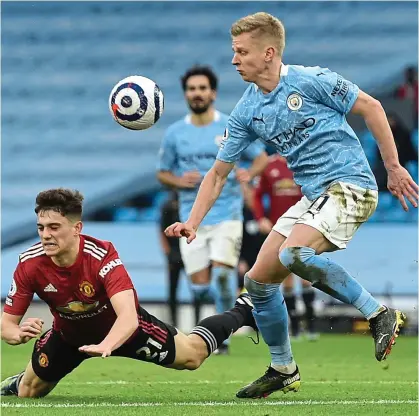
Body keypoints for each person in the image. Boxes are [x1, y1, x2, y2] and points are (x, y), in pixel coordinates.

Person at [165, 12, 418, 399]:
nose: (234, 60)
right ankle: (283, 368)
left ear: (268, 53)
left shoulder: (311, 80)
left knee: (294, 253)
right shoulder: (248, 110)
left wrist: (394, 167)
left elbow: (371, 107)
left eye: (241, 52)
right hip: (314, 198)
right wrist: (193, 222)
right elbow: (217, 174)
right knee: (258, 281)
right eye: (233, 51)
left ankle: (378, 313)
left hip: (351, 185)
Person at [0, 188, 257, 398]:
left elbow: (128, 317)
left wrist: (106, 345)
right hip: (69, 336)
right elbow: (6, 325)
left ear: (77, 228)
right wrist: (17, 334)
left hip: (126, 332)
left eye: (54, 227)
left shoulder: (102, 256)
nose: (45, 235)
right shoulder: (29, 263)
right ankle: (21, 379)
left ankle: (243, 308)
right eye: (41, 228)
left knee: (193, 356)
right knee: (28, 392)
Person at [157, 65, 268, 354]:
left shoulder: (229, 126)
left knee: (221, 277)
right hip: (191, 216)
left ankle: (223, 338)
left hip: (227, 214)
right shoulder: (175, 134)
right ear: (186, 94)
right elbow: (162, 172)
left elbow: (261, 158)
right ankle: (204, 327)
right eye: (192, 89)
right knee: (200, 285)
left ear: (213, 93)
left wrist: (249, 174)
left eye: (202, 88)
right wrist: (179, 181)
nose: (197, 93)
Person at [253, 154, 317, 340]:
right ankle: (295, 326)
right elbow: (257, 195)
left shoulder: (304, 162)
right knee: (287, 279)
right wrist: (260, 218)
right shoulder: (269, 166)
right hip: (280, 229)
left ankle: (311, 324)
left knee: (305, 276)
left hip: (304, 227)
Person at [159, 191, 184, 327]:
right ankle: (173, 323)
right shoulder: (168, 207)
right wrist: (168, 254)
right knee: (173, 290)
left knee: (197, 290)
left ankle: (198, 322)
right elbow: (161, 231)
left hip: (188, 251)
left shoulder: (192, 206)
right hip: (174, 254)